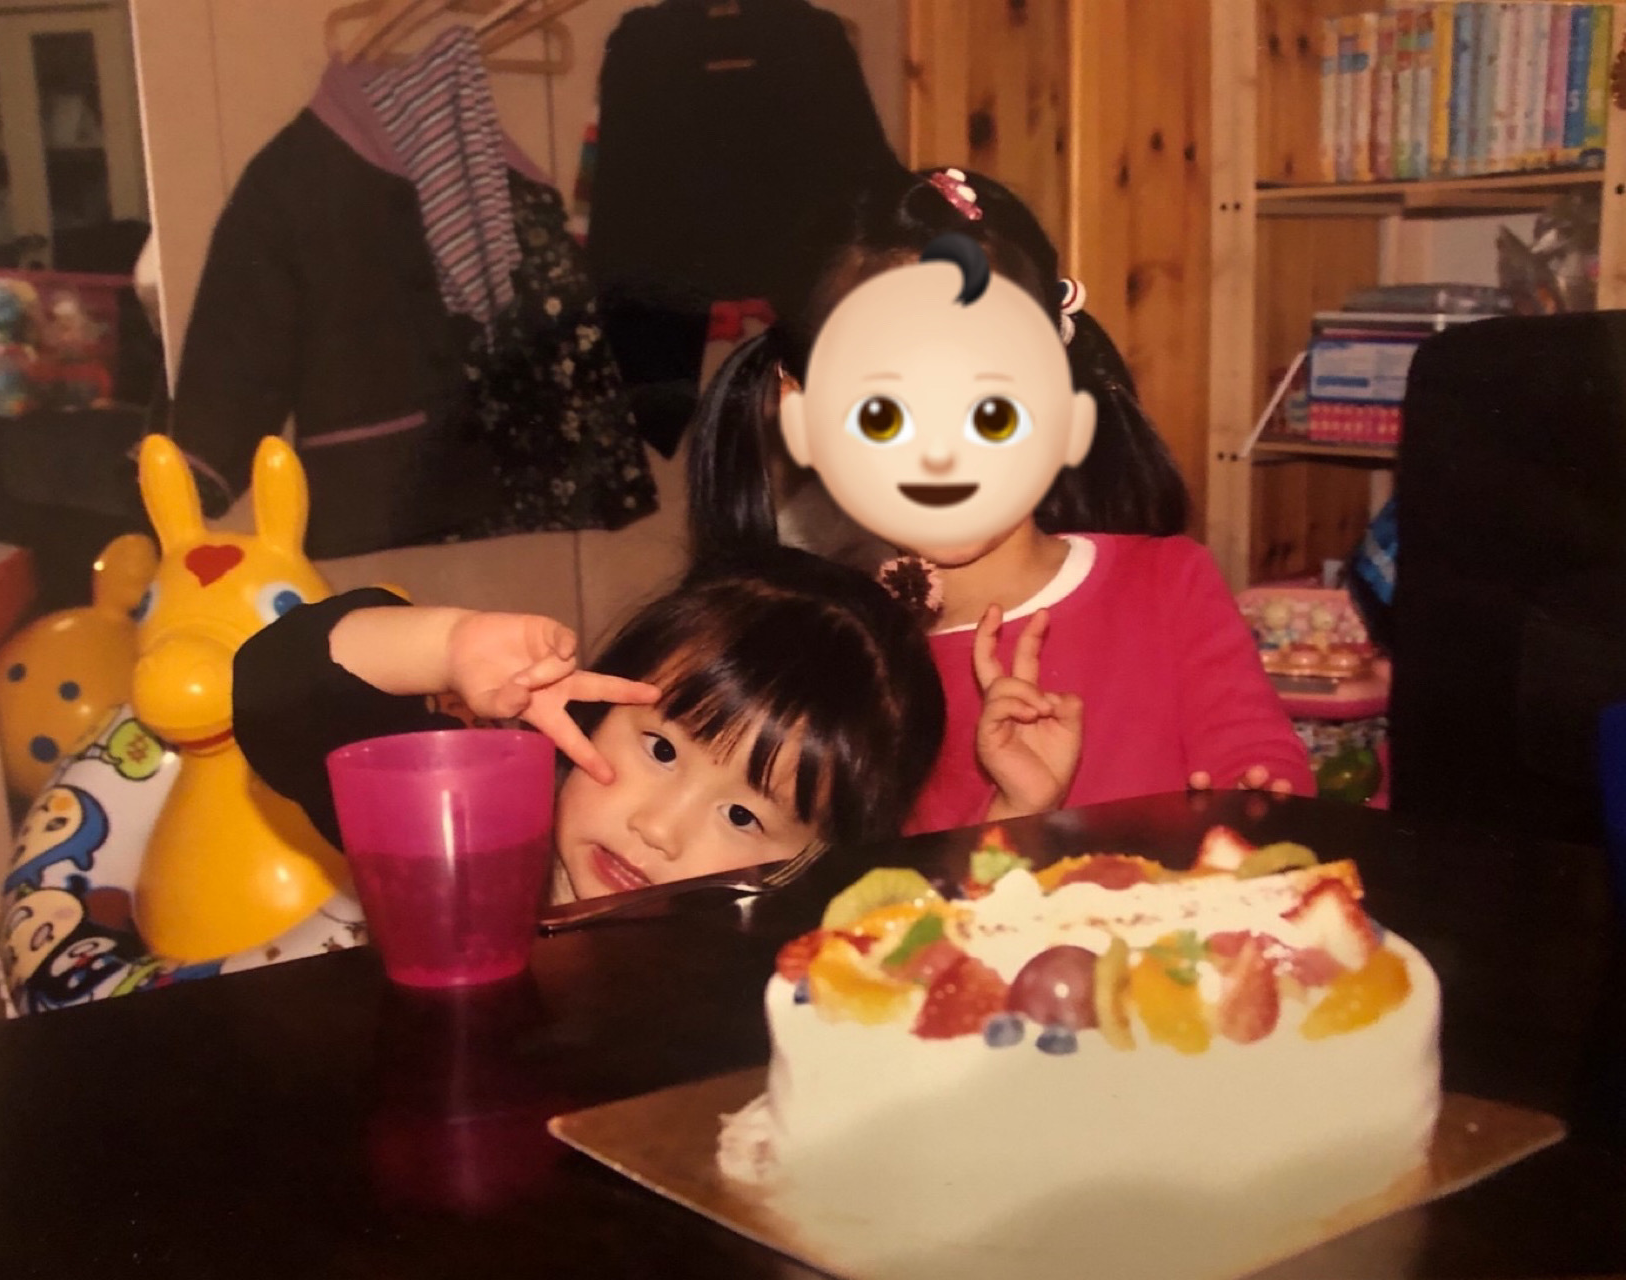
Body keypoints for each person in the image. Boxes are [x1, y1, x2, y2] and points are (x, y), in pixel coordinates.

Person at [687, 164, 1313, 834]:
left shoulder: (1169, 583)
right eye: (883, 416)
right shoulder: (833, 656)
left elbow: (1265, 768)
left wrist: (1261, 806)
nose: (939, 454)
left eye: (989, 412)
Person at [232, 544, 1061, 904]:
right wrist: (449, 645)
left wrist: (1015, 818)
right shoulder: (476, 846)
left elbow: (932, 965)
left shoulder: (755, 969)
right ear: (598, 703)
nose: (659, 829)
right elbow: (275, 697)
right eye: (660, 748)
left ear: (813, 864)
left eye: (743, 817)